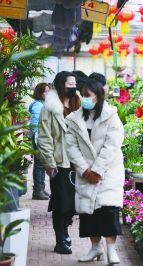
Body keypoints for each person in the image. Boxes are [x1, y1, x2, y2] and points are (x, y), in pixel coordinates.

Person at [65, 78, 124, 264]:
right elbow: (71, 146)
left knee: (108, 211)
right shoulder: (75, 119)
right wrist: (85, 170)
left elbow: (112, 145)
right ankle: (96, 248)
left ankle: (111, 251)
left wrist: (97, 170)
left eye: (88, 96)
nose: (84, 99)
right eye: (82, 95)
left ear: (98, 96)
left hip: (108, 173)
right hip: (86, 173)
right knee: (89, 214)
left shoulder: (111, 116)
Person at [37, 71, 81, 255]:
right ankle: (60, 238)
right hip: (59, 162)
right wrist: (49, 162)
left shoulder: (77, 102)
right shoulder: (50, 107)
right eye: (69, 84)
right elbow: (44, 137)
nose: (73, 87)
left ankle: (65, 230)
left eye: (74, 84)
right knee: (60, 202)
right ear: (61, 84)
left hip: (78, 161)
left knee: (73, 203)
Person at [29, 83, 50, 200]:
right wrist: (37, 140)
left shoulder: (42, 104)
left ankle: (41, 188)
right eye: (45, 91)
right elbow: (35, 125)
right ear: (40, 93)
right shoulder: (38, 105)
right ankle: (38, 190)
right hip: (39, 138)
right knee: (39, 165)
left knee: (41, 165)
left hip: (41, 138)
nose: (48, 94)